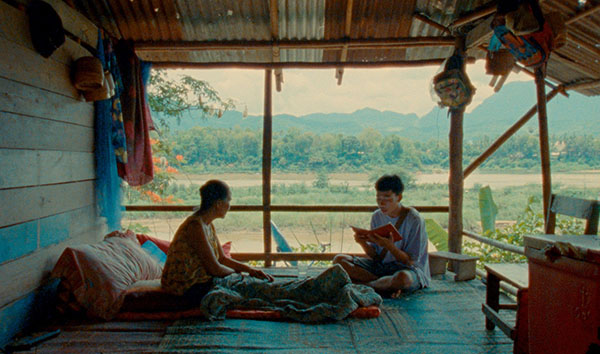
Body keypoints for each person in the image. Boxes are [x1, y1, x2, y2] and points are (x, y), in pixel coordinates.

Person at [161, 179, 273, 305]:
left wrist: (250, 270)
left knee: (249, 287)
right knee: (246, 289)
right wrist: (238, 274)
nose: (229, 205)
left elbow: (222, 259)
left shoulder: (207, 225)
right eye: (229, 200)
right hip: (184, 288)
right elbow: (215, 269)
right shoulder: (195, 226)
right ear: (219, 204)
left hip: (199, 282)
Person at [333, 174, 430, 297]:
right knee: (339, 260)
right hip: (383, 268)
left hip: (408, 270)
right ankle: (384, 286)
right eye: (378, 198)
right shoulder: (377, 216)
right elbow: (376, 257)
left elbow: (410, 261)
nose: (382, 203)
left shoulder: (414, 219)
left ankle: (369, 285)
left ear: (399, 197)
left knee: (403, 279)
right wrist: (362, 242)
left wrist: (390, 246)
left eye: (387, 198)